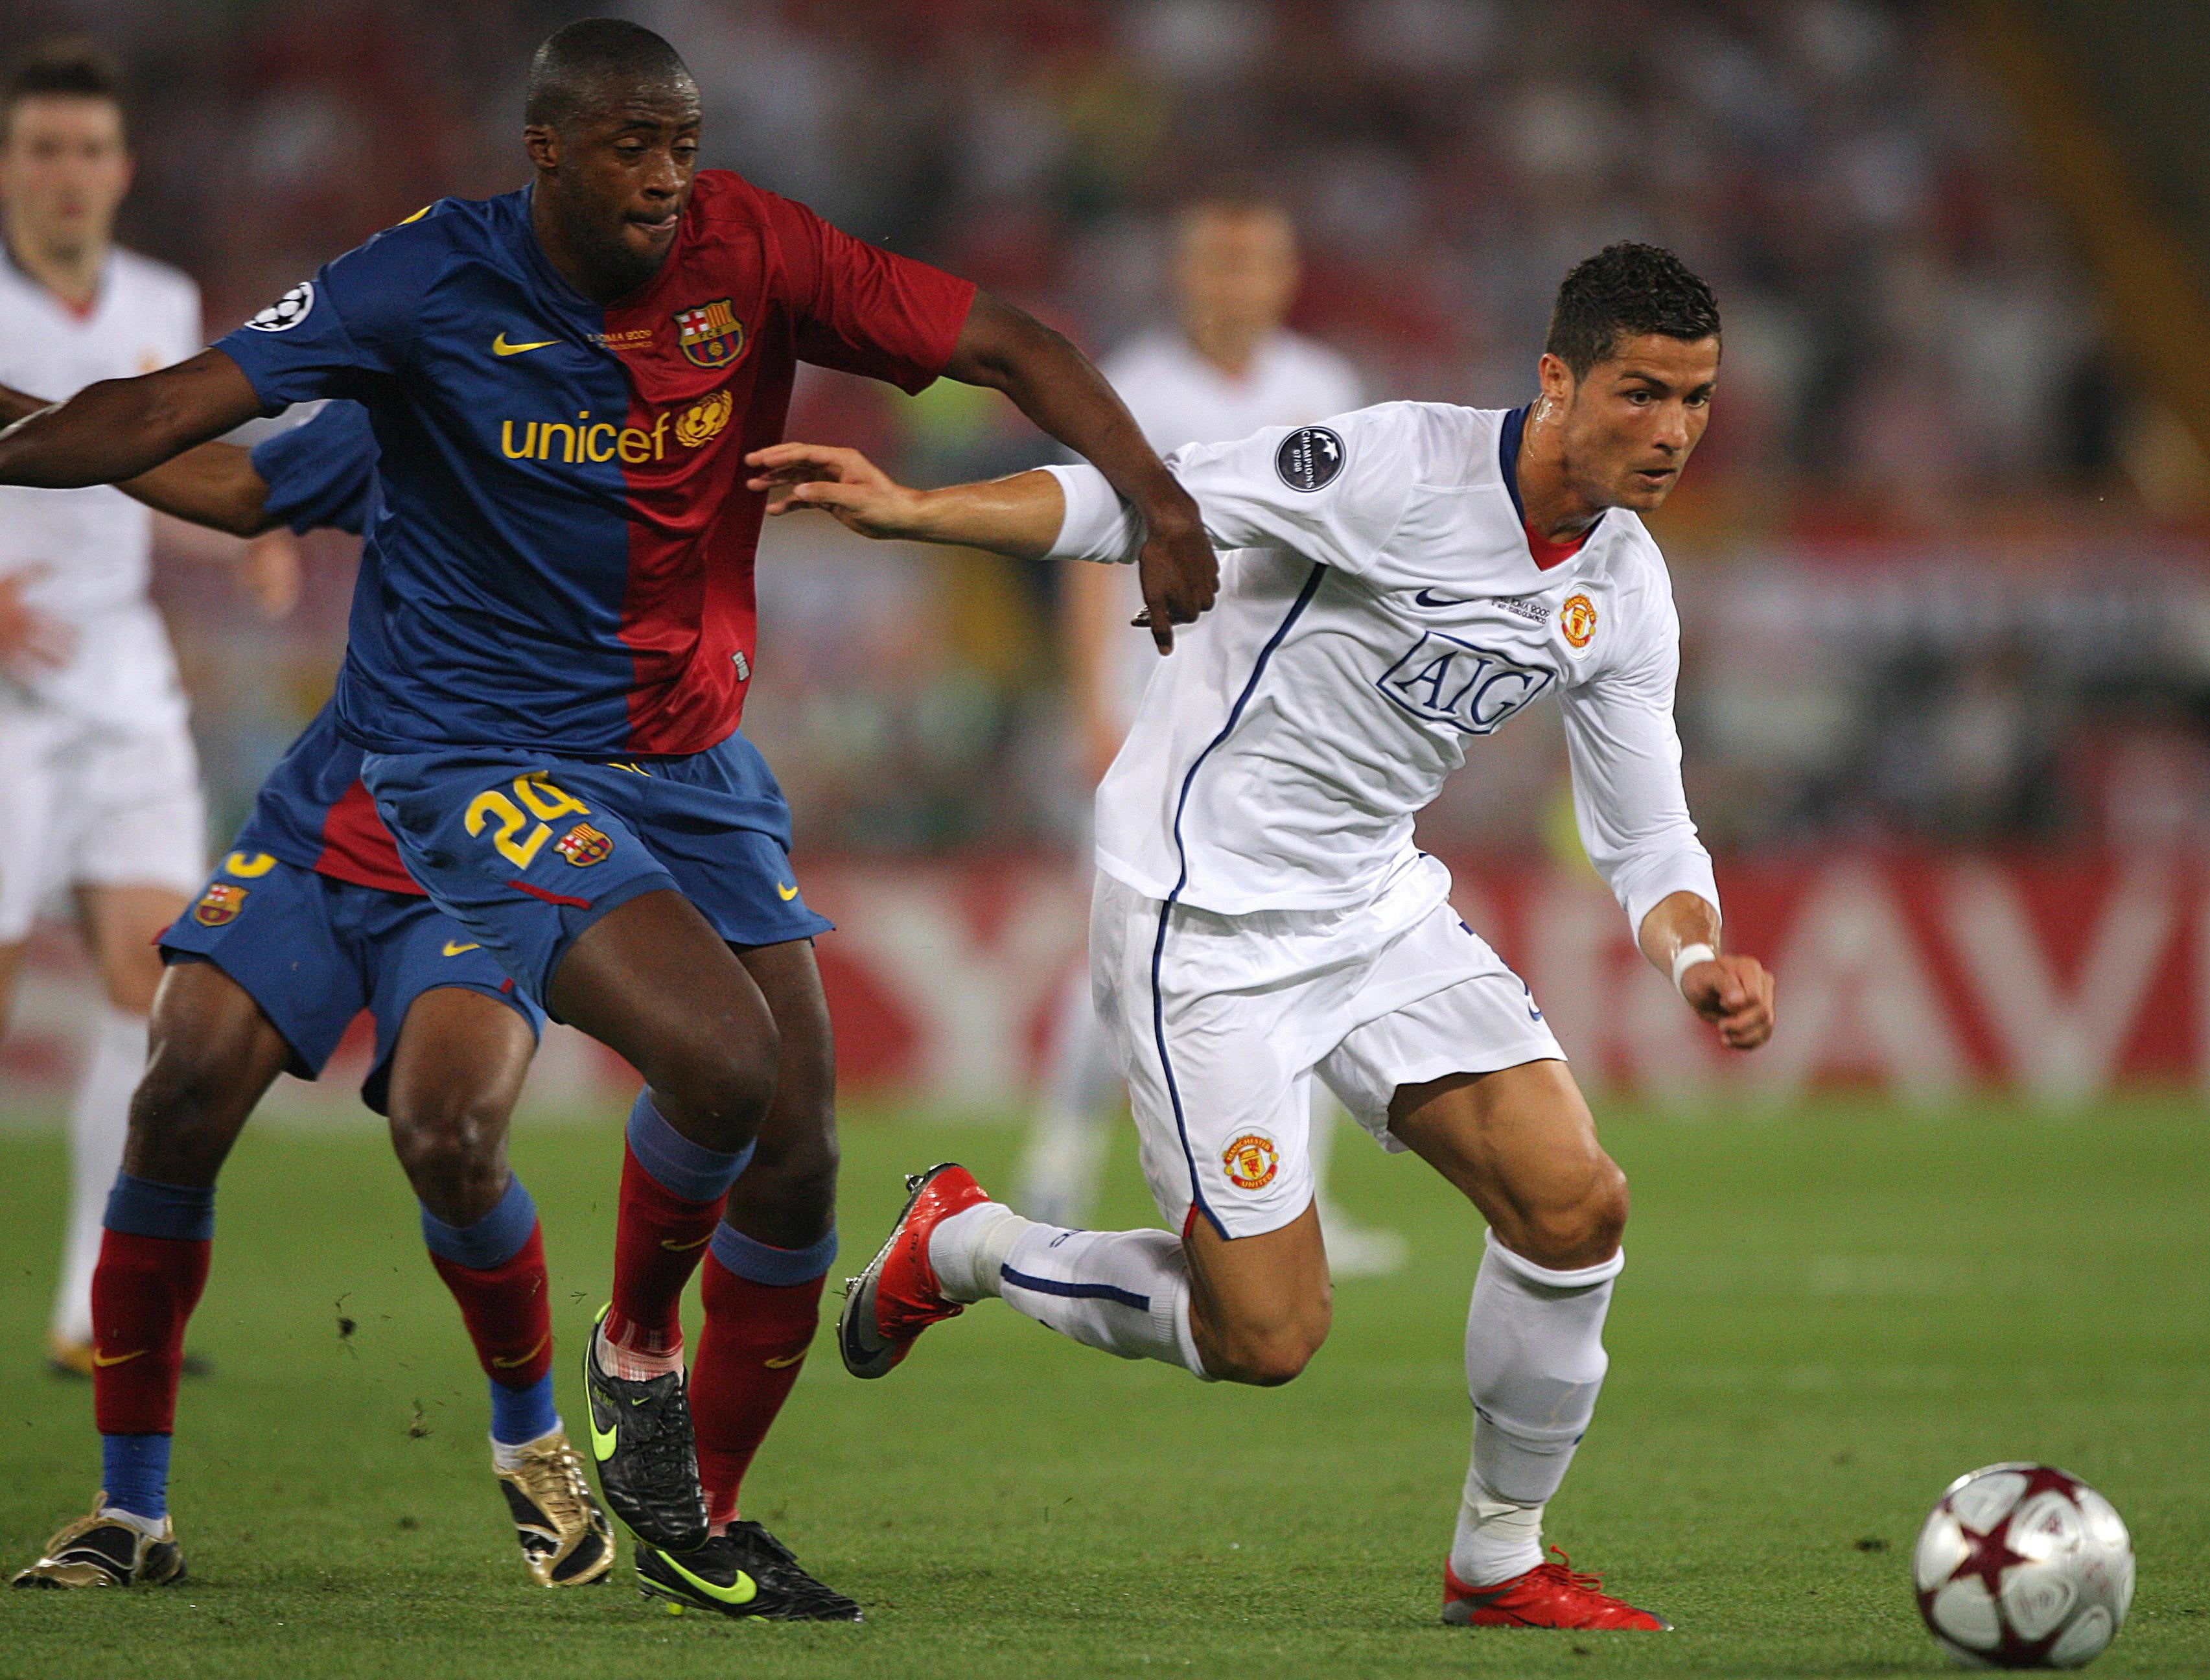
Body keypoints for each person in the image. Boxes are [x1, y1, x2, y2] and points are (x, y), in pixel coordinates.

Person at [0, 18, 1214, 1621]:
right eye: (632, 146)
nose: (665, 176)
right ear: (549, 151)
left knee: (793, 1155)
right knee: (687, 1062)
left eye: (683, 143)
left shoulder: (751, 251)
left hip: (687, 758)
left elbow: (1006, 340)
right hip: (462, 759)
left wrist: (1163, 499)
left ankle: (687, 1508)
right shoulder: (418, 290)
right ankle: (603, 1372)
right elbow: (177, 422)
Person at [760, 243, 1778, 1631]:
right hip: (1204, 915)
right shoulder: (1394, 468)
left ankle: (1499, 1557)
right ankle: (967, 1243)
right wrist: (916, 510)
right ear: (1555, 380)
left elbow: (1644, 831)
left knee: (1575, 1203)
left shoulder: (1624, 587)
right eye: (1639, 394)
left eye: (1696, 401)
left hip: (1374, 906)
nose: (1669, 433)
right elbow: (1142, 503)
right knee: (1266, 1337)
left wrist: (1691, 955)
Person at [8, 397, 623, 1595]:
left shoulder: (653, 437)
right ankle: (129, 1513)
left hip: (492, 846)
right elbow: (226, 477)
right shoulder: (428, 392)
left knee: (450, 1134)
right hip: (321, 827)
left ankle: (530, 1440)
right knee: (176, 1091)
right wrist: (25, 417)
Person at [1021, 196, 1404, 1278]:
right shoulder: (1132, 388)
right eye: (1216, 266)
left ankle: (1306, 1200)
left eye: (1256, 267)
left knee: (1303, 939)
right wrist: (1091, 704)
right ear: (1183, 277)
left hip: (1274, 715)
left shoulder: (1322, 389)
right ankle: (1055, 1162)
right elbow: (1088, 550)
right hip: (1149, 706)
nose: (1235, 286)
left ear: (1284, 278)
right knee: (1114, 945)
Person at [0, 41, 288, 1377]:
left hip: (122, 681)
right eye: (40, 148)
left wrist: (262, 530)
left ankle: (89, 1321)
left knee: (153, 991)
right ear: (11, 167)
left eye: (84, 151)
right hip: (3, 698)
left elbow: (174, 464)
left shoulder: (163, 300)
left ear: (122, 171)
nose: (63, 174)